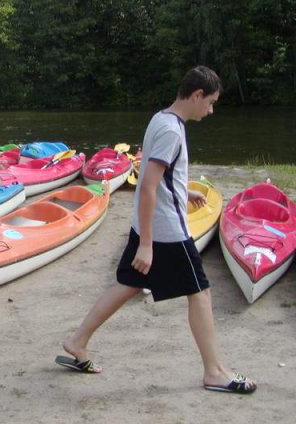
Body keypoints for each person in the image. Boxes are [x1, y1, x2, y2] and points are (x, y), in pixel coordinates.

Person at [56, 66, 257, 394]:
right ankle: (215, 372)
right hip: (166, 232)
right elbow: (148, 186)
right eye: (210, 102)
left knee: (129, 283)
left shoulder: (161, 119)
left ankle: (77, 341)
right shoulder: (172, 131)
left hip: (148, 224)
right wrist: (147, 244)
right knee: (201, 293)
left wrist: (183, 192)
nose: (211, 110)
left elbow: (159, 177)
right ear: (197, 95)